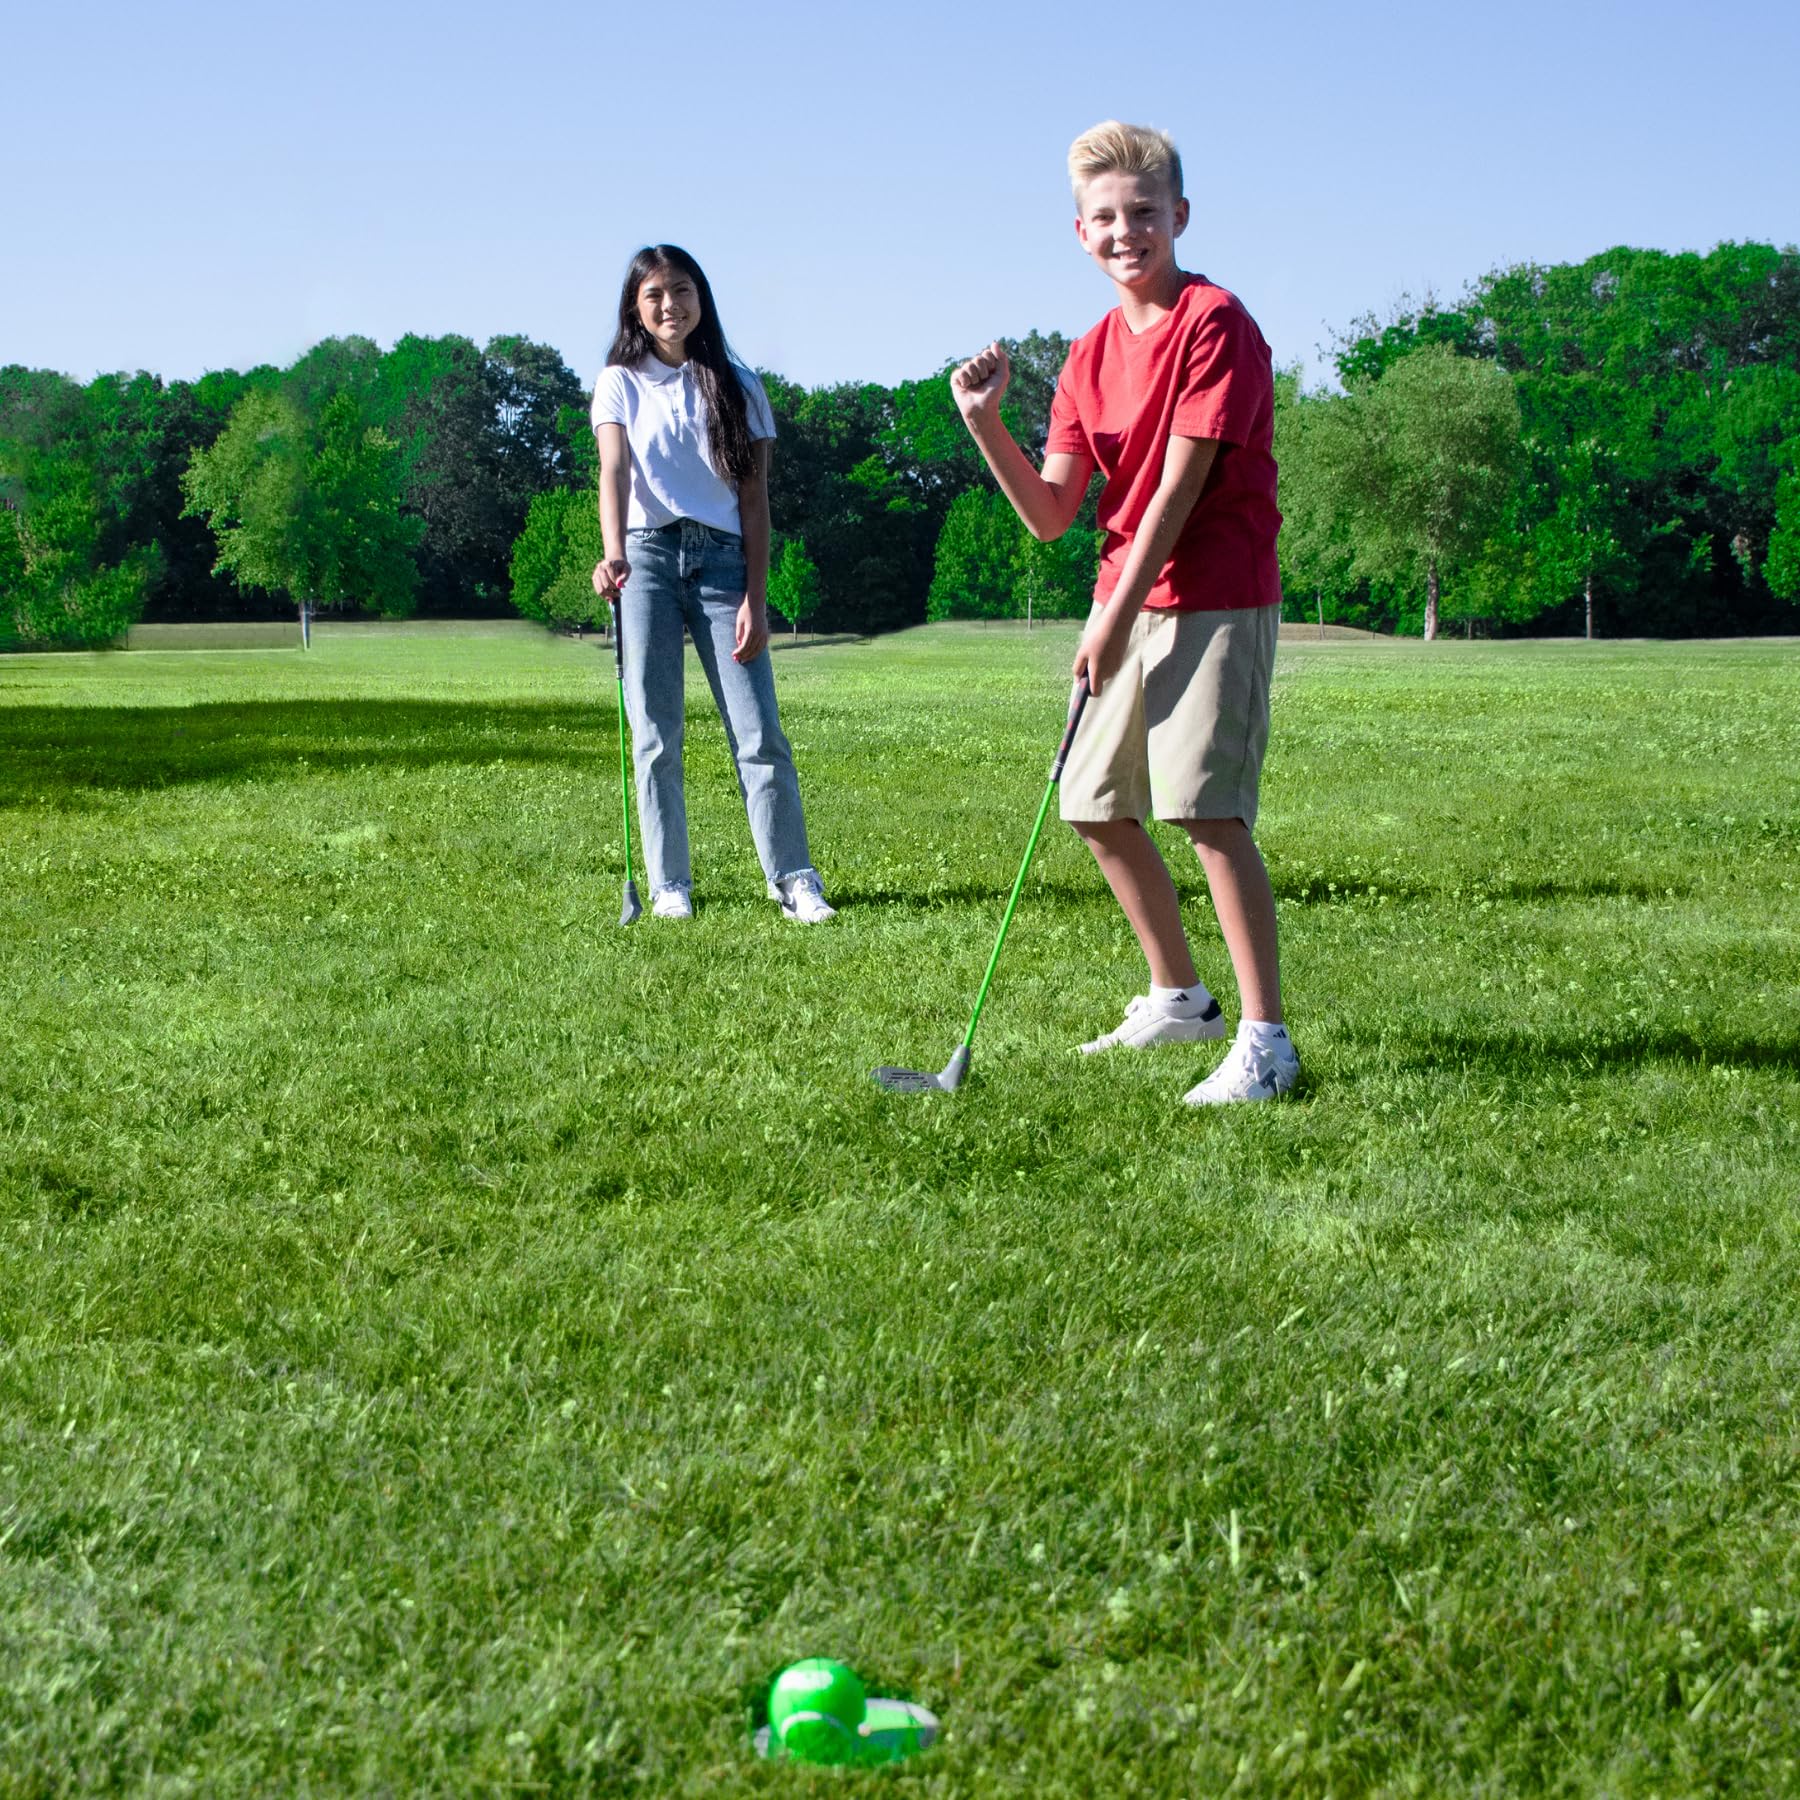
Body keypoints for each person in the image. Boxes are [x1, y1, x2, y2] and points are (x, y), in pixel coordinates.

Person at [949, 121, 1297, 1102]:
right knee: (1093, 803)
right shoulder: (1089, 353)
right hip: (1125, 599)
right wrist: (985, 425)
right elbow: (1054, 515)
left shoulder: (1214, 323)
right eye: (1104, 217)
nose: (1124, 231)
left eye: (1143, 213)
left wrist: (1110, 617)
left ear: (1178, 216)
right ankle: (1180, 999)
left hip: (1215, 593)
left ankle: (1267, 1041)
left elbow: (1181, 491)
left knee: (1206, 808)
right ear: (1079, 232)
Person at [590, 244, 834, 923]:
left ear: (701, 297)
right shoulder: (619, 382)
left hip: (725, 563)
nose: (671, 305)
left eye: (682, 290)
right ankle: (670, 885)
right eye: (655, 295)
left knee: (758, 732)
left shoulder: (738, 383)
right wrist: (613, 554)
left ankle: (793, 878)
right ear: (636, 309)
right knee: (655, 734)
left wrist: (757, 596)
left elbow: (754, 502)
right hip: (645, 563)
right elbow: (614, 472)